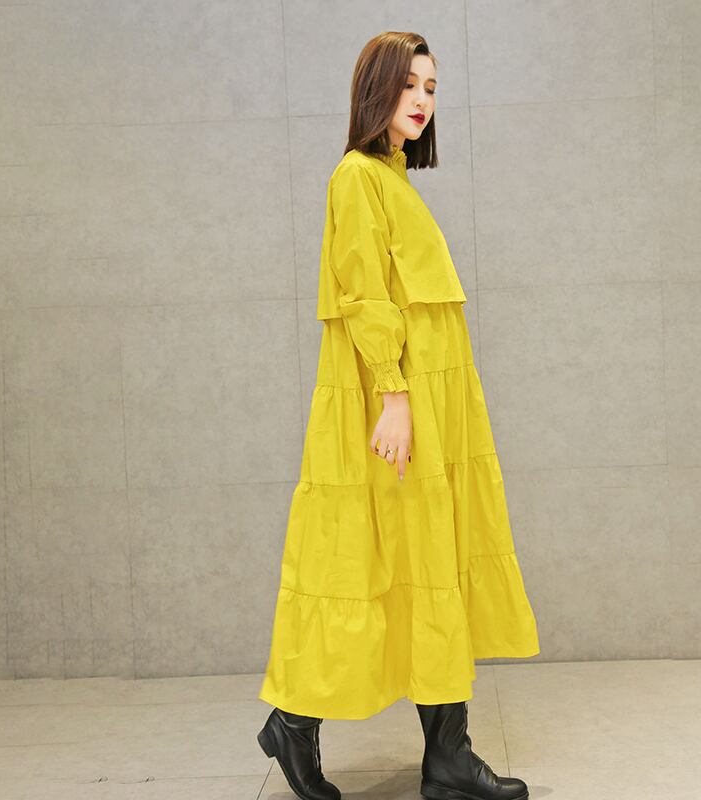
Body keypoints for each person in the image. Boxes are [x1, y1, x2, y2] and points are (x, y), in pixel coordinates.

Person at [256, 31, 540, 800]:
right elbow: (364, 297)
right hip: (398, 405)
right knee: (367, 561)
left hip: (431, 404)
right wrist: (393, 396)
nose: (422, 100)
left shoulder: (394, 178)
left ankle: (447, 754)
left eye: (432, 88)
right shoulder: (357, 177)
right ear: (375, 89)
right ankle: (296, 721)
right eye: (409, 84)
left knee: (429, 561)